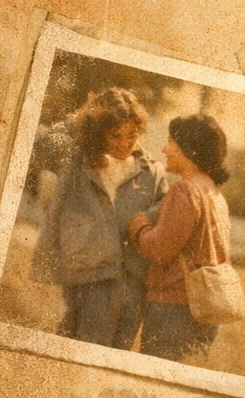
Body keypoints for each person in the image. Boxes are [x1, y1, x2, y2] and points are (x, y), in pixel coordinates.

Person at [29, 88, 167, 350]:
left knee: (118, 352)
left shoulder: (151, 170)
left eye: (132, 135)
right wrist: (79, 122)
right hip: (89, 275)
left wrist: (143, 219)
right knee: (80, 346)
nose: (125, 142)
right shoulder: (78, 161)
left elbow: (164, 206)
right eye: (115, 135)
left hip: (132, 278)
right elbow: (40, 142)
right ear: (97, 133)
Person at [125, 115, 235, 362]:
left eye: (170, 142)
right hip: (207, 308)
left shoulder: (184, 190)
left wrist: (138, 225)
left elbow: (159, 250)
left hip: (173, 309)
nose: (164, 149)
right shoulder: (213, 192)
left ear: (189, 150)